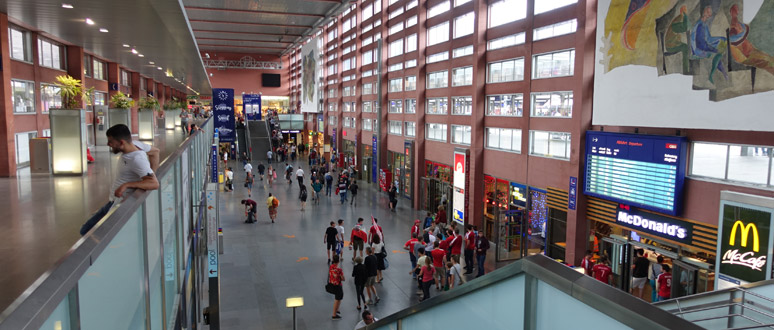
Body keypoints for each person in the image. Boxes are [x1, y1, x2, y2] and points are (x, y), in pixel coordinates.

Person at [80, 124, 160, 235]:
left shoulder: (136, 159)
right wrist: (151, 173)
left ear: (121, 142)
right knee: (87, 230)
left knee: (86, 231)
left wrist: (126, 185)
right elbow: (155, 151)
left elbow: (154, 184)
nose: (108, 144)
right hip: (112, 201)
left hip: (119, 204)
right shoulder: (136, 144)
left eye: (111, 142)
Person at [329, 255, 345, 320]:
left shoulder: (331, 267)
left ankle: (337, 309)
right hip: (338, 285)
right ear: (338, 261)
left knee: (338, 297)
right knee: (337, 299)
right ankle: (334, 314)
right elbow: (343, 279)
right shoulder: (339, 270)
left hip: (332, 284)